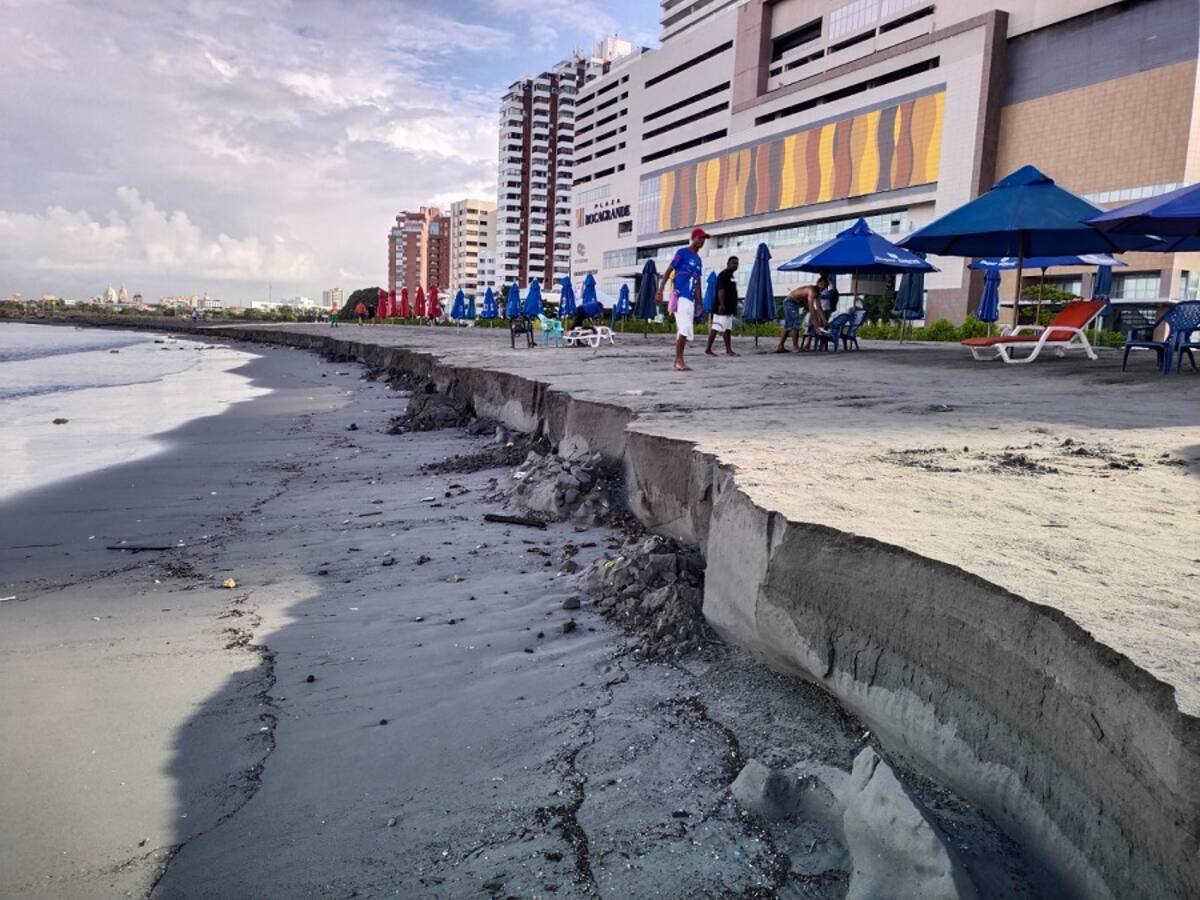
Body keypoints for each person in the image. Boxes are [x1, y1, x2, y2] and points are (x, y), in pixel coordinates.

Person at [657, 227, 708, 371]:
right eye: (700, 238)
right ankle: (679, 360)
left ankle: (677, 361)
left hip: (690, 298)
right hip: (680, 296)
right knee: (685, 328)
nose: (702, 241)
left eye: (704, 238)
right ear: (693, 238)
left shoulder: (698, 260)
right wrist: (660, 291)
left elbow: (697, 282)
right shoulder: (682, 253)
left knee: (682, 330)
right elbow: (668, 272)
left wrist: (700, 302)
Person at [779, 275, 827, 352]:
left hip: (795, 304)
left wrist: (825, 321)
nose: (823, 287)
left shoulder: (818, 294)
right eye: (821, 284)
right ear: (817, 283)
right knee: (796, 323)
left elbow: (818, 308)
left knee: (788, 325)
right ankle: (795, 347)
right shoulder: (812, 290)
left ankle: (780, 346)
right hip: (789, 302)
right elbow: (811, 307)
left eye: (825, 286)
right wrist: (816, 325)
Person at [705, 256, 739, 358]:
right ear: (728, 263)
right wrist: (721, 304)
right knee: (716, 328)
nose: (735, 265)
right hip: (722, 307)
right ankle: (708, 349)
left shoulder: (732, 276)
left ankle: (728, 350)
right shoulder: (723, 275)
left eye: (737, 263)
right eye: (733, 263)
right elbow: (721, 290)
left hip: (729, 307)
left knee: (727, 329)